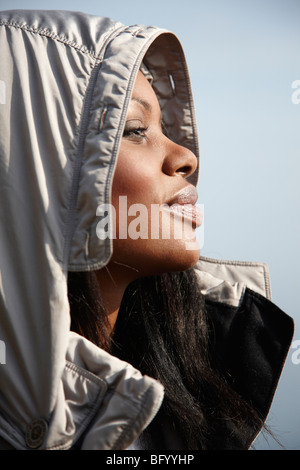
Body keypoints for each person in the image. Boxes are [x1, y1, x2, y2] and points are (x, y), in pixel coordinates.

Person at [0, 9, 294, 450]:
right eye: (135, 130)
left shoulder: (185, 403)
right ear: (37, 168)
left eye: (165, 128)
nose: (186, 158)